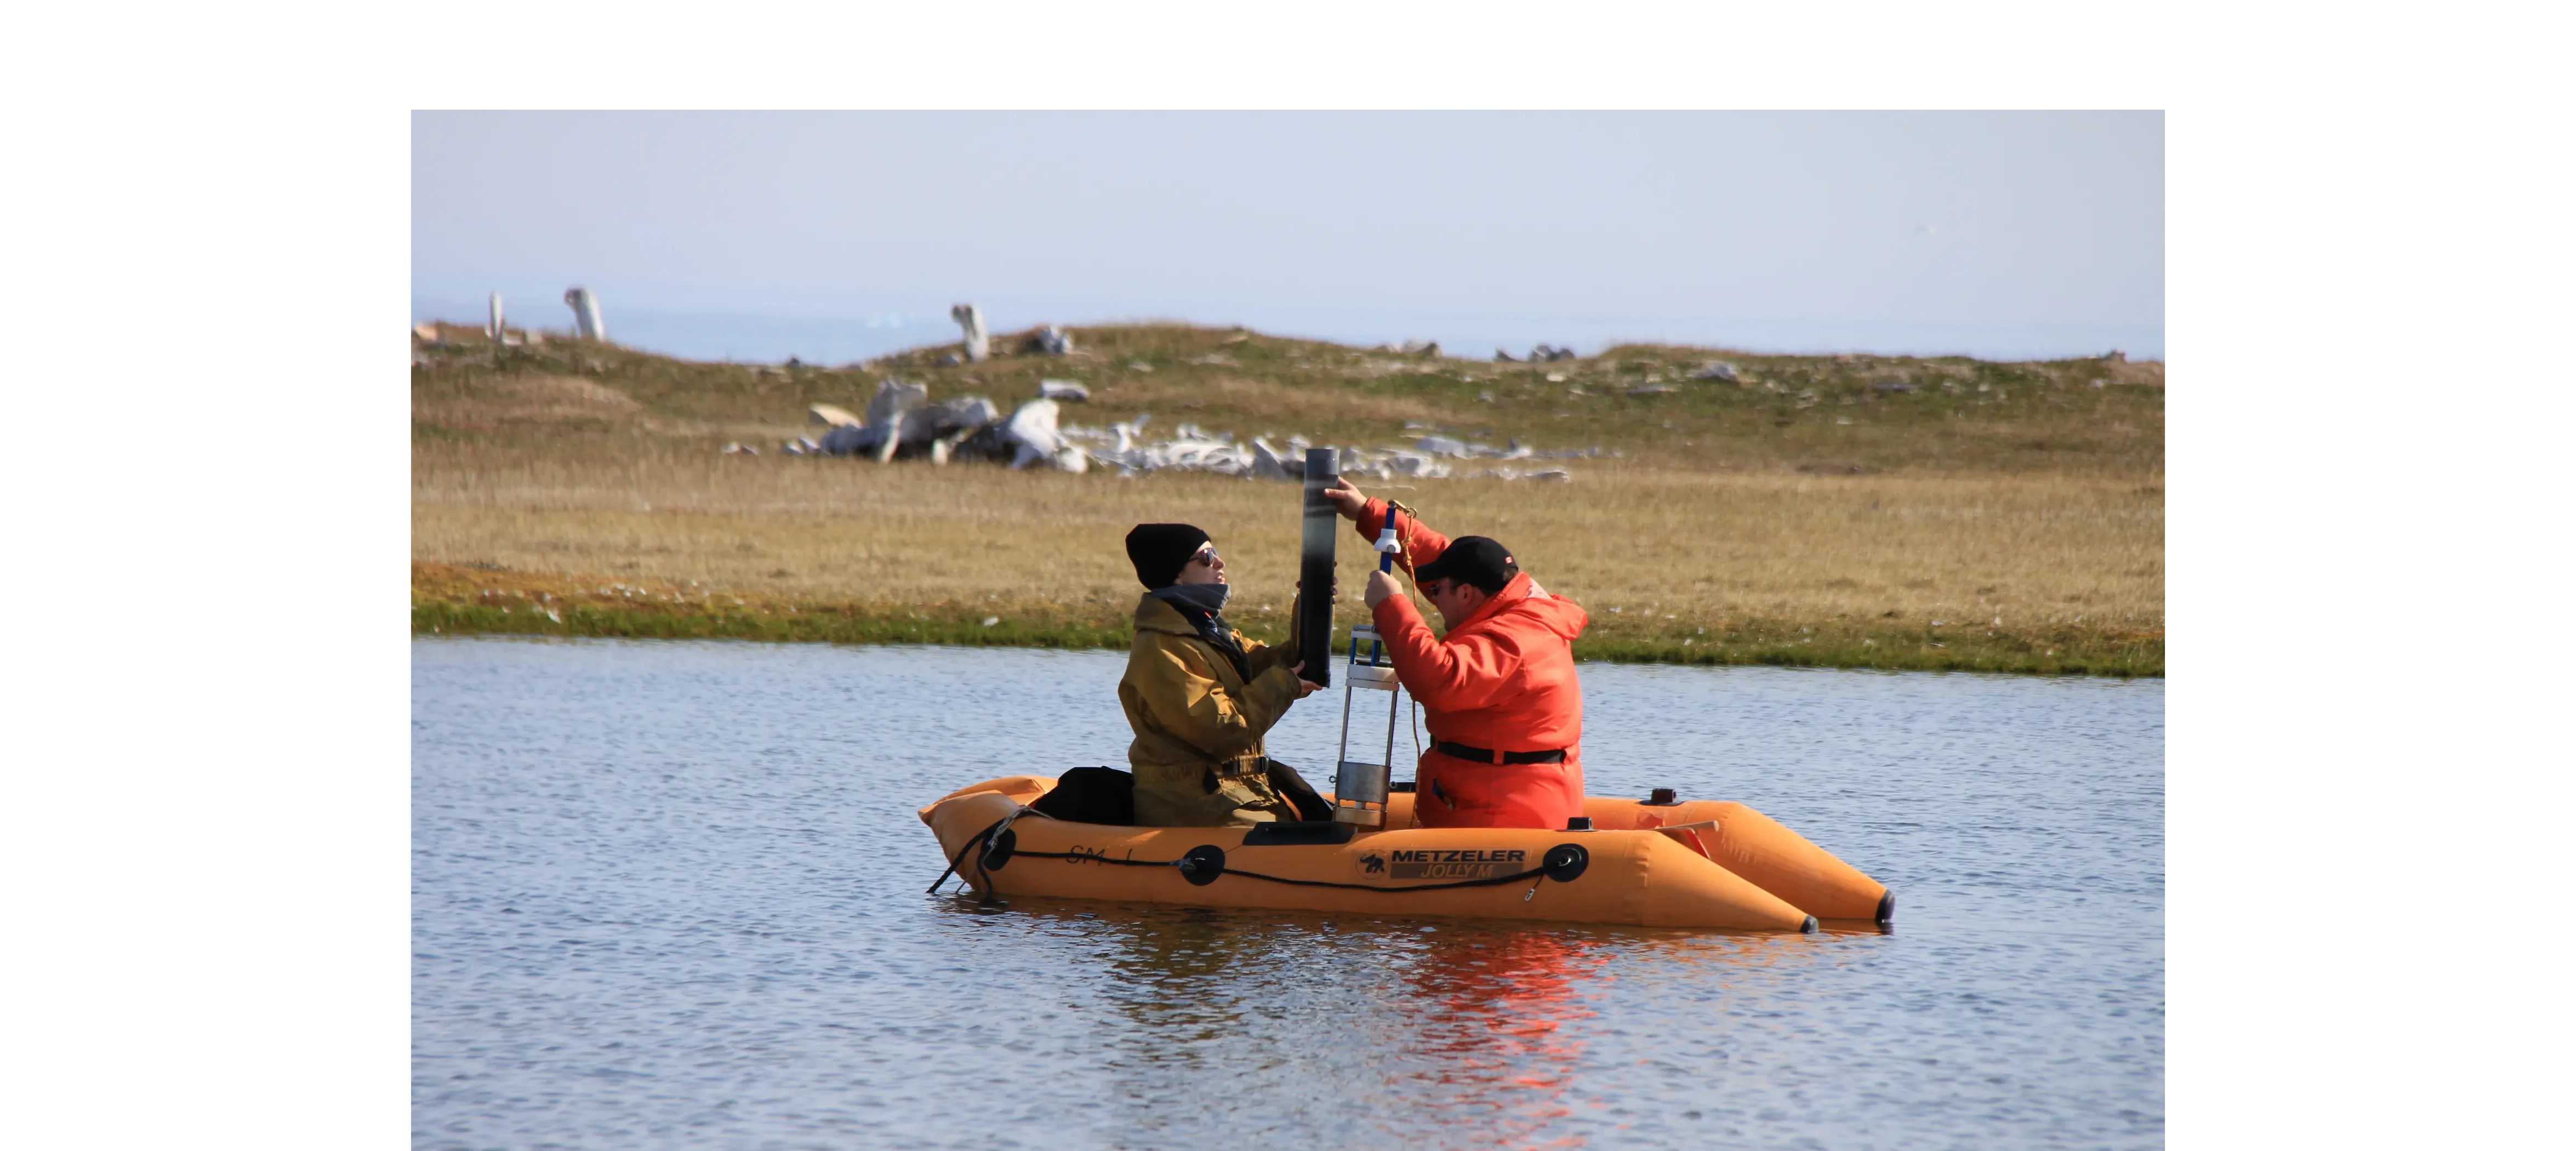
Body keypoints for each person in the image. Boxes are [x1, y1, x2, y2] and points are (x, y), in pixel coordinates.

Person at [1321, 480, 1590, 830]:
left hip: (1501, 818)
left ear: (1466, 594)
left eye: (1437, 590)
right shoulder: (1515, 601)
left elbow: (1440, 679)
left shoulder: (1514, 640)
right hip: (1492, 799)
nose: (1432, 596)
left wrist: (1391, 606)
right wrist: (1373, 516)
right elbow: (1447, 558)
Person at [1118, 523, 1327, 827]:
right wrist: (1284, 685)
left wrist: (1311, 604)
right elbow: (1223, 729)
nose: (1219, 562)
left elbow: (1280, 663)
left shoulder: (1208, 631)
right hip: (1197, 806)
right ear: (1176, 574)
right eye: (1206, 557)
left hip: (1240, 795)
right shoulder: (1161, 649)